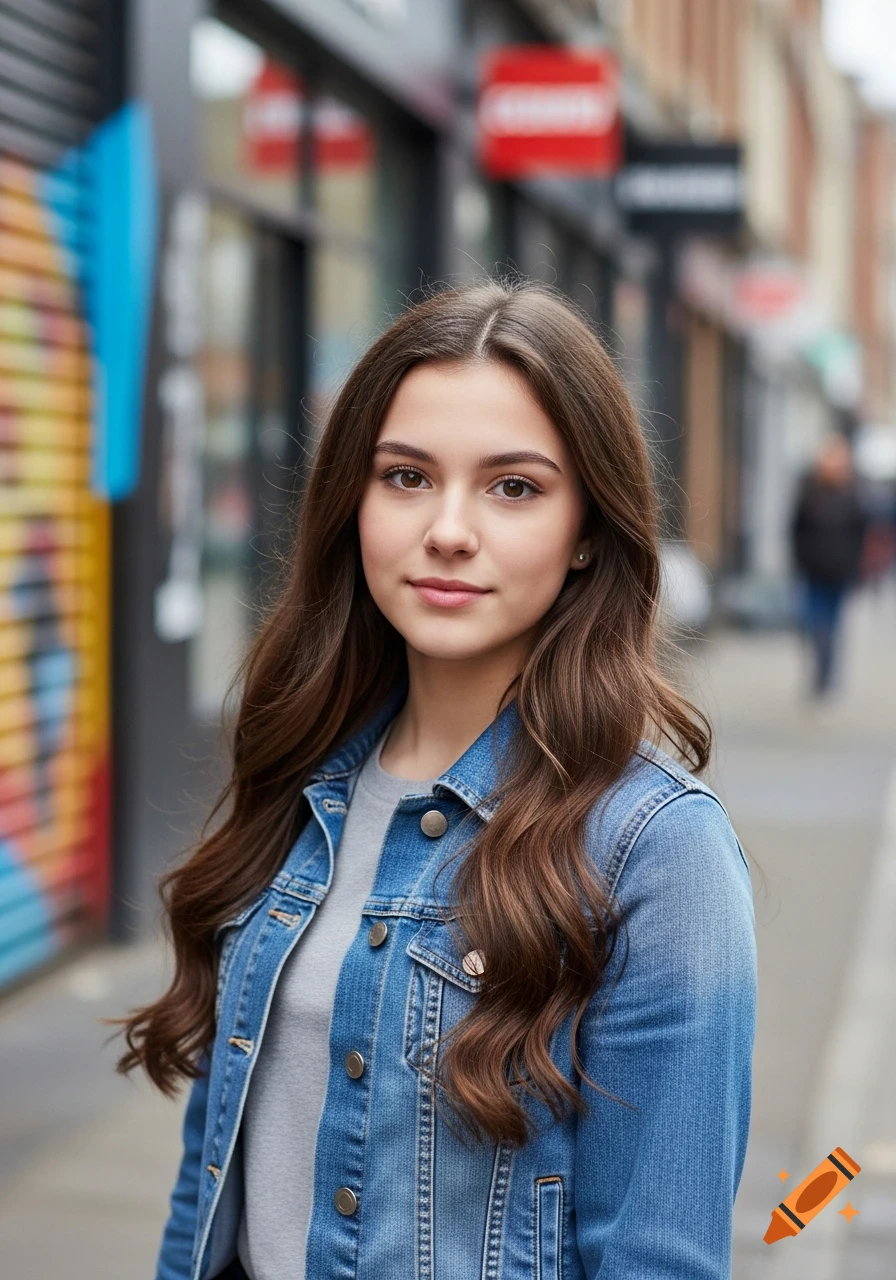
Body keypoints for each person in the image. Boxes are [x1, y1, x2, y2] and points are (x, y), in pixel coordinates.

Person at [116, 280, 757, 1280]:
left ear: (587, 528)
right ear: (352, 503)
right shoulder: (300, 774)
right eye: (406, 476)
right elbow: (213, 1189)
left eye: (513, 487)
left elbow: (658, 1255)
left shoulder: (654, 849)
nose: (447, 528)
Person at [790, 434, 870, 698]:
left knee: (832, 627)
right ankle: (819, 673)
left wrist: (857, 568)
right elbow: (795, 529)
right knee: (814, 625)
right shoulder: (809, 491)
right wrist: (799, 561)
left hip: (839, 573)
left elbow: (861, 534)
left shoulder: (854, 495)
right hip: (813, 571)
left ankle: (825, 679)